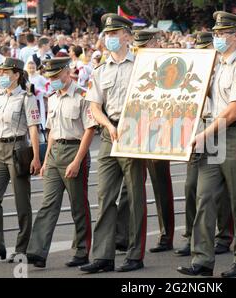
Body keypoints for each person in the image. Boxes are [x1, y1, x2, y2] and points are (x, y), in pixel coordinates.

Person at [177, 11, 236, 277]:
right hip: (214, 134)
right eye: (215, 34)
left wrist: (204, 134)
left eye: (222, 34)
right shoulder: (217, 66)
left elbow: (234, 110)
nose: (217, 38)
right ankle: (202, 259)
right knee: (205, 196)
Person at [80, 13, 147, 274]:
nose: (109, 38)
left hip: (134, 134)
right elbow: (94, 106)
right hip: (109, 134)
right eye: (107, 34)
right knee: (105, 197)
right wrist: (108, 125)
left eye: (114, 34)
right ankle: (103, 256)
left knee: (135, 198)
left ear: (127, 36)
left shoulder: (141, 65)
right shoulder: (100, 69)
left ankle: (134, 254)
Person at [26, 57, 95, 268]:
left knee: (78, 205)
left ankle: (82, 251)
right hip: (55, 153)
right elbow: (53, 132)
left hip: (75, 151)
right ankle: (37, 251)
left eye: (56, 76)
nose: (53, 80)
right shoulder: (53, 97)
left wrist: (77, 161)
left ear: (67, 72)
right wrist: (46, 161)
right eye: (50, 77)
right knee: (48, 203)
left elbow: (89, 131)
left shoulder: (83, 96)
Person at [113, 28, 176, 254]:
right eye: (138, 47)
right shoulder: (132, 66)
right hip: (133, 129)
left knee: (160, 185)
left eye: (145, 46)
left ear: (156, 44)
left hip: (158, 130)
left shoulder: (168, 66)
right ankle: (122, 235)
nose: (140, 51)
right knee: (129, 187)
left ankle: (166, 235)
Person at [175, 31, 234, 257]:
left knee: (221, 188)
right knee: (191, 186)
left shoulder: (222, 70)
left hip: (218, 128)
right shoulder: (193, 73)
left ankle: (224, 235)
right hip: (196, 129)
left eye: (207, 50)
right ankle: (192, 235)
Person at [0, 57, 41, 263]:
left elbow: (33, 127)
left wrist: (36, 157)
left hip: (18, 148)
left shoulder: (26, 98)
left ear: (16, 75)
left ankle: (22, 247)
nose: (1, 76)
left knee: (22, 201)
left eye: (5, 72)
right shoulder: (0, 98)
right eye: (1, 72)